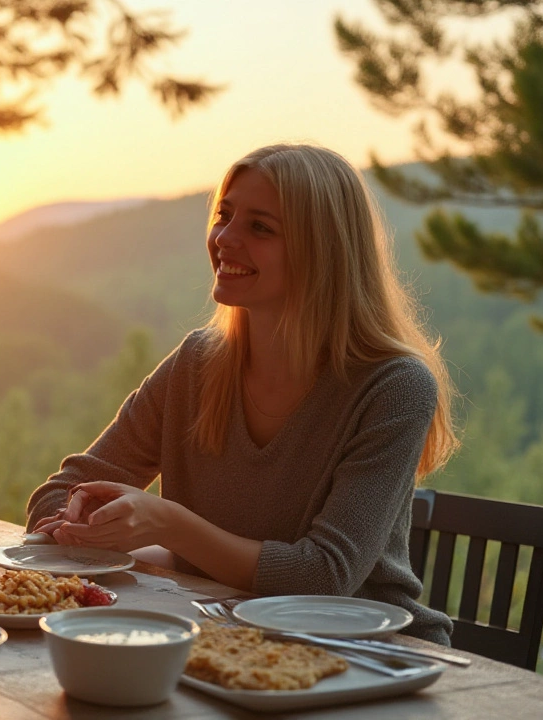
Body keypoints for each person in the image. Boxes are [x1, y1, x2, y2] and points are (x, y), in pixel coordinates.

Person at [26, 144, 458, 645]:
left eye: (260, 227)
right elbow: (59, 495)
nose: (224, 239)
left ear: (323, 250)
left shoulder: (394, 387)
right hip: (221, 638)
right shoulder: (196, 364)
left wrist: (168, 527)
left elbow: (323, 577)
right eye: (224, 216)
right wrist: (83, 524)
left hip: (368, 656)